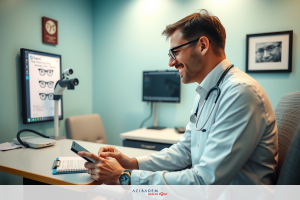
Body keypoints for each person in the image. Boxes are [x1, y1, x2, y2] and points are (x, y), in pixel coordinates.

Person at [79, 9, 278, 185]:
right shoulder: (207, 92)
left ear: (202, 45)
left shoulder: (240, 93)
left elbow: (205, 182)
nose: (171, 62)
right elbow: (185, 151)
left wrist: (125, 177)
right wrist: (132, 163)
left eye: (175, 52)